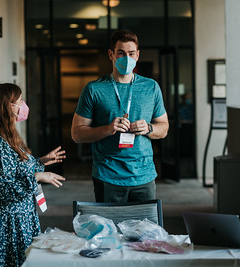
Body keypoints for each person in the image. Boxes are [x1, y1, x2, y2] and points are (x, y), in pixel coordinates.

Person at [71, 30, 169, 203]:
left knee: (145, 229)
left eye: (131, 53)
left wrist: (149, 128)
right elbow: (77, 134)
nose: (127, 58)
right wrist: (107, 129)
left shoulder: (151, 87)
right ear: (111, 55)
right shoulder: (94, 89)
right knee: (110, 230)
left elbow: (164, 128)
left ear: (137, 55)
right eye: (121, 53)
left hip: (144, 176)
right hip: (108, 176)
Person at [0, 83, 66, 266]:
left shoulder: (8, 136)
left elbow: (17, 170)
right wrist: (39, 177)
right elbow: (5, 190)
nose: (24, 105)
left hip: (20, 217)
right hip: (8, 223)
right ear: (7, 106)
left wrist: (41, 161)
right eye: (20, 101)